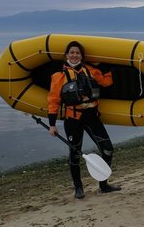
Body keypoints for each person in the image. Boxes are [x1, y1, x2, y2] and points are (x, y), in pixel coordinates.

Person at [47, 41, 121, 199]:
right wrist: (52, 125)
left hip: (92, 117)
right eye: (71, 52)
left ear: (81, 56)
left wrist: (109, 65)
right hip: (73, 119)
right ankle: (78, 188)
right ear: (66, 55)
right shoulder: (58, 76)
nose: (74, 55)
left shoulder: (90, 70)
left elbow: (106, 82)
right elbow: (53, 100)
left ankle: (103, 185)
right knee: (74, 154)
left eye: (77, 53)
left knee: (108, 149)